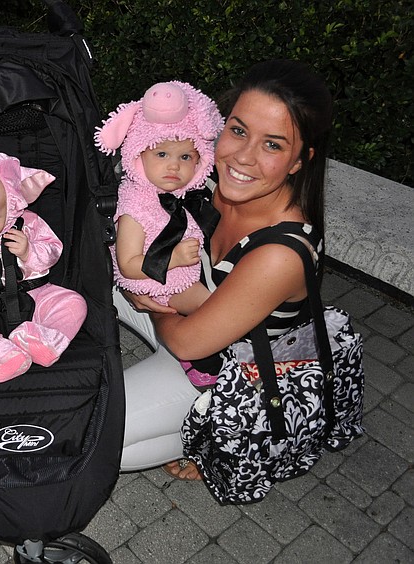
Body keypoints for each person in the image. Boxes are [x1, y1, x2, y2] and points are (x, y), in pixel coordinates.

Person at [114, 60, 333, 480]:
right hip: (181, 310)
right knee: (86, 278)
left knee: (104, 439)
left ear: (299, 161)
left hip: (224, 369)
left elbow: (188, 344)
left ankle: (211, 433)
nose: (242, 157)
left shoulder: (281, 254)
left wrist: (146, 297)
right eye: (238, 130)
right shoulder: (204, 179)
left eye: (273, 145)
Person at [0, 144, 87, 383]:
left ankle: (42, 340)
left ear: (11, 205)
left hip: (38, 295)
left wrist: (28, 252)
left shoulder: (30, 223)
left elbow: (54, 252)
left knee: (74, 303)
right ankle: (1, 356)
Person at [95, 81, 224, 316]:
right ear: (138, 155)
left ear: (200, 161)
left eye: (185, 156)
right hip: (160, 282)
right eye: (161, 154)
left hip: (188, 269)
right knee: (215, 310)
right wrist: (174, 258)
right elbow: (127, 265)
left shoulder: (189, 194)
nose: (174, 165)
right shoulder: (136, 207)